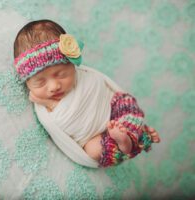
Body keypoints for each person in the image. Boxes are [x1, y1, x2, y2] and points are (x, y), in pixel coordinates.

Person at [13, 19, 160, 168]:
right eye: (40, 83)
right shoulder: (43, 104)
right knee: (93, 150)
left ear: (72, 65)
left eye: (61, 74)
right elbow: (65, 124)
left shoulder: (84, 75)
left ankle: (133, 134)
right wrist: (48, 103)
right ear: (27, 82)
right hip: (95, 137)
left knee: (124, 102)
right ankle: (129, 141)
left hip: (112, 111)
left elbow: (98, 84)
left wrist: (49, 102)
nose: (54, 86)